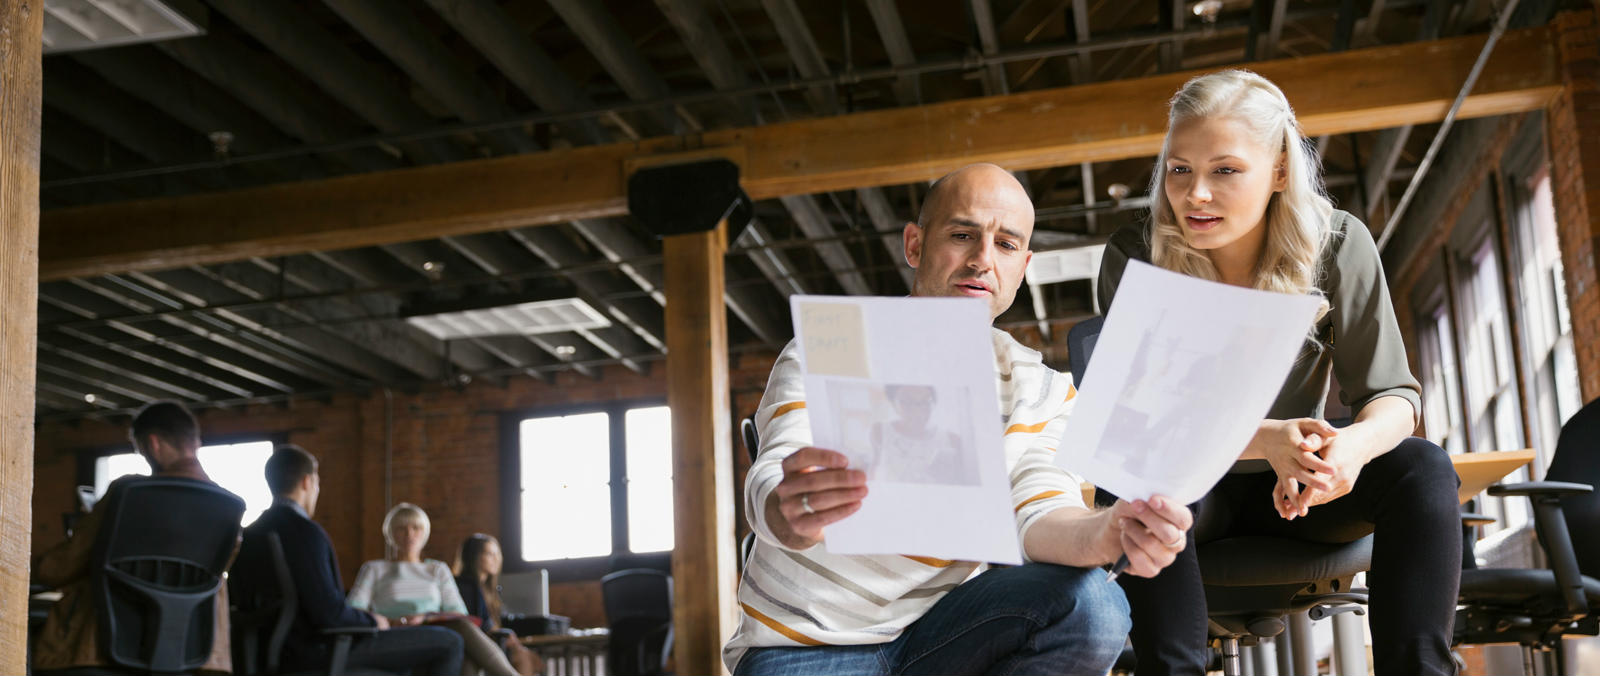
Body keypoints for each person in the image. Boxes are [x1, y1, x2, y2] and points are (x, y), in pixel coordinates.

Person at [725, 163, 1195, 675]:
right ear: (914, 245)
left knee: (1094, 606)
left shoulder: (1041, 388)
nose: (982, 260)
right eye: (962, 235)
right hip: (805, 647)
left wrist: (1108, 532)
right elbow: (771, 478)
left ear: (1023, 266)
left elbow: (1037, 513)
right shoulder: (833, 347)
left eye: (1006, 245)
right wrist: (789, 511)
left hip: (944, 635)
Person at [1096, 69, 1461, 675]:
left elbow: (1395, 395)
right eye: (1180, 169)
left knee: (1423, 469)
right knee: (1133, 480)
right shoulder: (1135, 255)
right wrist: (1268, 439)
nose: (1195, 195)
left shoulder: (1338, 244)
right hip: (1188, 494)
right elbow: (1134, 418)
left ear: (1281, 171)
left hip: (1298, 494)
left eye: (1225, 170)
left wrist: (1347, 453)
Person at [32, 401, 236, 673]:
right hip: (195, 657)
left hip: (102, 652)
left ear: (153, 443)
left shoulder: (128, 494)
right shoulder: (228, 508)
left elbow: (58, 569)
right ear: (194, 442)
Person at [229, 445, 463, 675]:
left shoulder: (250, 535)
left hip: (263, 650)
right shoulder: (306, 533)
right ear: (307, 482)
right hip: (315, 650)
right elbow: (329, 614)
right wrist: (373, 621)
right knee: (450, 643)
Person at [347, 504, 522, 676]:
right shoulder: (374, 569)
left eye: (416, 528)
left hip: (431, 631)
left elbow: (458, 612)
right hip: (392, 635)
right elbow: (354, 608)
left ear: (424, 533)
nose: (409, 534)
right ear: (391, 533)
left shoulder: (437, 570)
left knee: (464, 637)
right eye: (401, 528)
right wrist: (387, 620)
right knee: (461, 635)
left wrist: (424, 618)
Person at [454, 533, 541, 676]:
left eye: (497, 554)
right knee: (523, 657)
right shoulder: (465, 586)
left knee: (527, 656)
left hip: (494, 641)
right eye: (489, 554)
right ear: (473, 557)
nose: (496, 559)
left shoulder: (490, 590)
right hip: (478, 644)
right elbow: (477, 625)